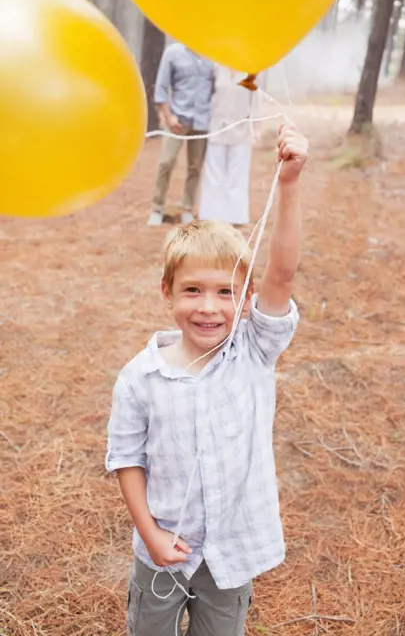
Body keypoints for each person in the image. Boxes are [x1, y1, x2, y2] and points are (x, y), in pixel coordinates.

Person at [106, 124, 308, 636]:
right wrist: (149, 535)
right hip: (162, 554)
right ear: (167, 292)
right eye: (192, 290)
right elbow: (127, 461)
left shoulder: (253, 351)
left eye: (224, 292)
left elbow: (282, 274)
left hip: (230, 552)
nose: (208, 307)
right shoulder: (139, 378)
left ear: (246, 297)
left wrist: (288, 183)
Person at [148, 43, 215, 227]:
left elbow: (217, 88)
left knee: (195, 167)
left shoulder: (213, 55)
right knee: (166, 162)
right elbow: (161, 88)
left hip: (202, 121)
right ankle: (157, 208)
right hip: (178, 119)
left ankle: (187, 208)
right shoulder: (173, 53)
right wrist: (168, 117)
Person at [197, 66, 255, 226]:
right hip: (217, 126)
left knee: (238, 174)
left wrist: (256, 126)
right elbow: (207, 96)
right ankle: (211, 215)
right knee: (214, 173)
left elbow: (256, 100)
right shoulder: (216, 68)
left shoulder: (251, 70)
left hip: (241, 128)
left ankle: (236, 216)